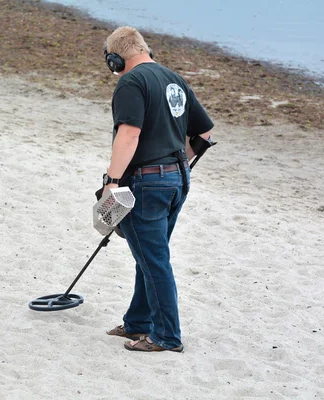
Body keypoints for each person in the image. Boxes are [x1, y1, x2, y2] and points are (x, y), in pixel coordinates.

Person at [101, 26, 215, 352]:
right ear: (145, 49)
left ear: (115, 59)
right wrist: (173, 164)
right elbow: (204, 134)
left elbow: (129, 134)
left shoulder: (131, 82)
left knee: (154, 261)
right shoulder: (173, 79)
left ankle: (166, 336)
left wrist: (111, 182)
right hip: (178, 179)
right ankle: (138, 323)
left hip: (146, 183)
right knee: (149, 256)